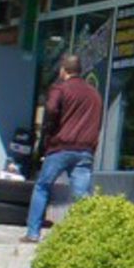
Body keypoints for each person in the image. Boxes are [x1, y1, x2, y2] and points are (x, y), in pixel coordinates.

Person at [24, 53, 103, 243]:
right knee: (81, 196)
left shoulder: (60, 88)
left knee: (43, 186)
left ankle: (33, 233)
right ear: (80, 70)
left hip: (61, 147)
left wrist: (48, 133)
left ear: (63, 70)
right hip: (85, 150)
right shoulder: (94, 93)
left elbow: (50, 109)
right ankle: (84, 237)